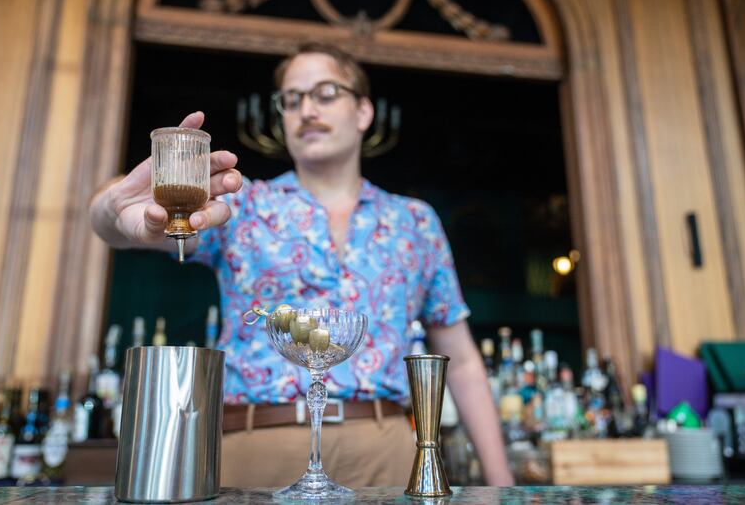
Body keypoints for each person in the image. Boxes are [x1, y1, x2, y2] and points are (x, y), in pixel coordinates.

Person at [90, 43, 514, 487]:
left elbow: (462, 362)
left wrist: (501, 482)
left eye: (326, 93)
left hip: (384, 448)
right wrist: (115, 209)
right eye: (292, 99)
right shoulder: (243, 205)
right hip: (257, 445)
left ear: (364, 112)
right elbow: (110, 227)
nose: (307, 109)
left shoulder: (414, 221)